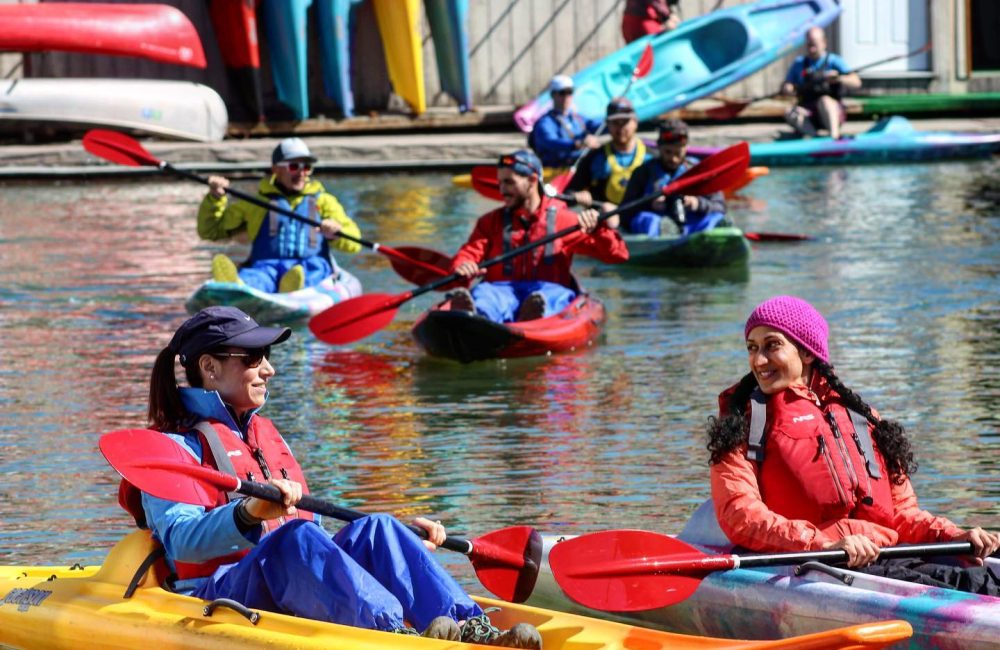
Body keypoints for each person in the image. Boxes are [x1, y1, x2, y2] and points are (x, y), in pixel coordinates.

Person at [117, 306, 542, 647]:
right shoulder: (172, 446)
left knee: (377, 528)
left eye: (268, 357)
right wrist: (248, 513)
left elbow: (312, 530)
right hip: (217, 593)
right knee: (292, 541)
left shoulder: (261, 433)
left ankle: (471, 629)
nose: (269, 370)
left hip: (284, 575)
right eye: (252, 358)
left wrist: (404, 542)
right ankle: (396, 636)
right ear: (209, 367)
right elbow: (182, 539)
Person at [706, 296, 1000, 594]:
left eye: (772, 345)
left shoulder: (864, 418)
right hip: (816, 564)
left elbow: (902, 514)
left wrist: (955, 536)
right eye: (752, 348)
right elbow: (740, 515)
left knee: (983, 578)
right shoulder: (741, 425)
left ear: (807, 353)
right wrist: (822, 544)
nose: (758, 360)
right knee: (970, 585)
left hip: (888, 555)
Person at [449, 149, 628, 323]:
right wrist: (463, 265)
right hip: (499, 292)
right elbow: (470, 252)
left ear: (532, 180)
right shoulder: (489, 222)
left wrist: (599, 229)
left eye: (509, 182)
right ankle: (476, 318)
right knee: (484, 294)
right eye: (501, 182)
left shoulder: (565, 220)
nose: (502, 190)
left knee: (552, 297)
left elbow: (617, 255)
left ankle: (533, 318)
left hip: (548, 291)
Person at [198, 137, 362, 294]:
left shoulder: (325, 202)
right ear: (275, 169)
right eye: (293, 166)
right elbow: (210, 231)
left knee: (307, 275)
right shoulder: (256, 203)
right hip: (265, 267)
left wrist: (337, 232)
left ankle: (294, 286)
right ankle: (235, 286)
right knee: (255, 278)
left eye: (306, 167)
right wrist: (215, 199)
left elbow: (355, 243)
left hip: (312, 267)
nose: (301, 173)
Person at [618, 118, 726, 236]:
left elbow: (720, 206)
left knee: (716, 218)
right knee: (646, 220)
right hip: (656, 227)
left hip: (691, 226)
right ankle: (663, 240)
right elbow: (624, 212)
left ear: (686, 148)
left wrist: (697, 203)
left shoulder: (700, 171)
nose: (673, 159)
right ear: (659, 147)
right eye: (668, 152)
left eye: (678, 153)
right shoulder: (643, 172)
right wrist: (650, 204)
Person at [566, 97, 651, 210]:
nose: (620, 128)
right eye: (615, 122)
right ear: (607, 124)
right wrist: (578, 196)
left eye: (625, 121)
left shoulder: (652, 156)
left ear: (635, 122)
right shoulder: (594, 157)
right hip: (602, 219)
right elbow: (569, 194)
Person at [781, 27, 861, 140]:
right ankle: (815, 138)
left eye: (814, 44)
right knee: (790, 112)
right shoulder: (799, 63)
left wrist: (839, 78)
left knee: (825, 101)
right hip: (808, 113)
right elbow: (787, 85)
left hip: (832, 113)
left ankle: (834, 137)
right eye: (809, 45)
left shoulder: (834, 61)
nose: (812, 49)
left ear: (824, 43)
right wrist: (788, 88)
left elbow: (856, 82)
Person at [528, 74, 603, 168]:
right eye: (562, 92)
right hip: (555, 172)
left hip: (577, 167)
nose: (566, 97)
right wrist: (578, 144)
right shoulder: (545, 123)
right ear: (553, 95)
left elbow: (597, 125)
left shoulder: (577, 118)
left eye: (570, 92)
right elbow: (552, 142)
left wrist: (615, 122)